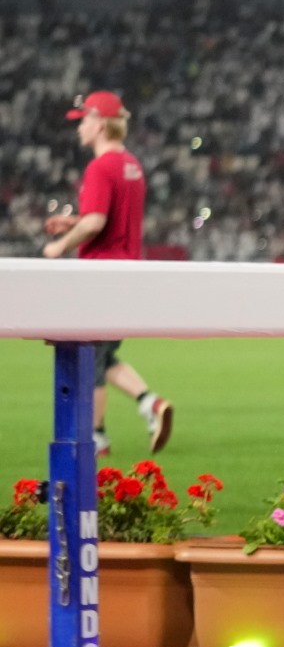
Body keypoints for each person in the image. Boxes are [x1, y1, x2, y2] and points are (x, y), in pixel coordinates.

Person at [42, 91, 173, 458]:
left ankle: (96, 437)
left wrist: (60, 245)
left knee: (91, 360)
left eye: (83, 120)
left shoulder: (99, 167)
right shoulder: (131, 165)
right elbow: (111, 218)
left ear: (100, 123)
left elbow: (97, 222)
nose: (80, 127)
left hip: (100, 273)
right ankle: (149, 403)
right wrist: (73, 221)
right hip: (127, 269)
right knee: (105, 354)